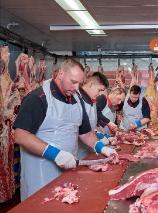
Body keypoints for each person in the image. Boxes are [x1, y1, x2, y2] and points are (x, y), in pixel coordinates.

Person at [13, 59, 117, 200]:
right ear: (60, 74)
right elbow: (20, 135)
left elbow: (86, 133)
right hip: (40, 175)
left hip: (68, 171)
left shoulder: (77, 99)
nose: (76, 88)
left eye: (79, 84)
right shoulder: (38, 98)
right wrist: (55, 154)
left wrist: (102, 148)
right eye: (72, 82)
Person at [77, 72, 110, 159]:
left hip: (89, 150)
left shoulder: (92, 101)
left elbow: (91, 126)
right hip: (78, 152)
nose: (99, 94)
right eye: (99, 90)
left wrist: (99, 136)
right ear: (91, 84)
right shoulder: (77, 100)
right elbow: (79, 130)